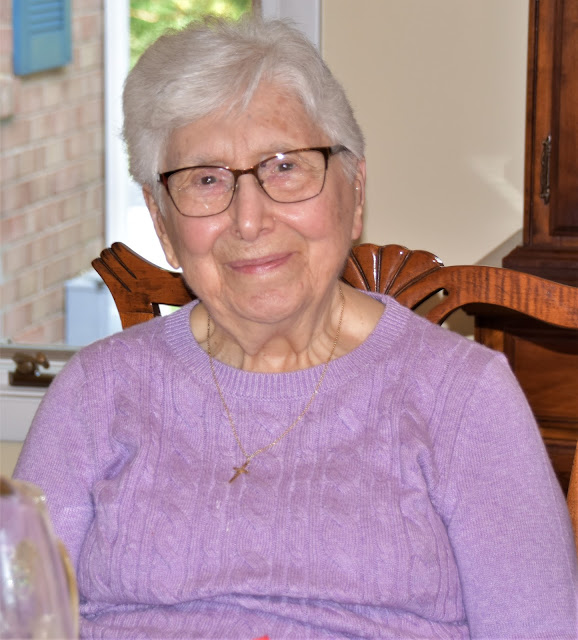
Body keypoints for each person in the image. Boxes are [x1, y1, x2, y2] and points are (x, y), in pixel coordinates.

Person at [14, 16, 577, 639]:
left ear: (354, 192)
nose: (249, 220)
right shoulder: (96, 391)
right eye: (205, 180)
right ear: (162, 223)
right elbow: (19, 617)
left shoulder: (464, 398)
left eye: (284, 167)